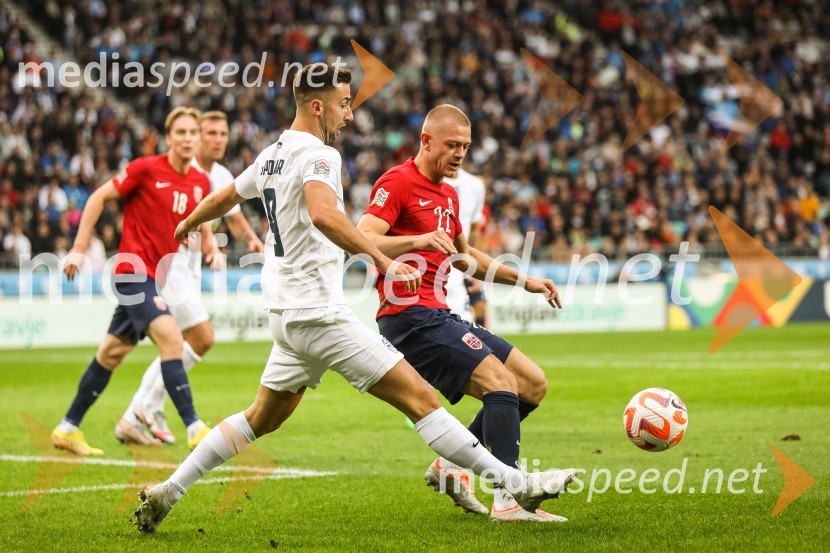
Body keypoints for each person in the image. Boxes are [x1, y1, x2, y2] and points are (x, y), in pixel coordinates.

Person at [133, 64, 574, 532]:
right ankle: (511, 484)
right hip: (320, 315)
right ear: (318, 105)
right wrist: (384, 262)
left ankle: (169, 490)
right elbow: (325, 216)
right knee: (422, 399)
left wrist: (186, 223)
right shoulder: (320, 156)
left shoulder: (273, 154)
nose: (349, 114)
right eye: (344, 104)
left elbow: (224, 196)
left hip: (286, 318)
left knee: (259, 418)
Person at [357, 104, 565, 522]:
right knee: (501, 383)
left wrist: (527, 281)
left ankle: (451, 465)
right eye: (452, 145)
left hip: (440, 312)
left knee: (532, 383)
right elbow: (362, 237)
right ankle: (508, 498)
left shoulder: (449, 195)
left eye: (465, 147)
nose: (459, 154)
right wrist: (418, 240)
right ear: (426, 140)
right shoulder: (397, 182)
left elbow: (466, 258)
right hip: (408, 318)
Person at [52, 107, 217, 455]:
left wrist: (210, 245)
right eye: (181, 132)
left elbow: (202, 217)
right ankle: (194, 427)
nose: (188, 139)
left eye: (193, 133)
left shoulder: (201, 182)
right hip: (132, 274)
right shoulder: (146, 169)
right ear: (168, 138)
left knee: (110, 354)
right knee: (172, 340)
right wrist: (79, 248)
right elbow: (98, 197)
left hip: (158, 278)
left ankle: (68, 428)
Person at [115, 111, 265, 446]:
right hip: (169, 267)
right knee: (200, 337)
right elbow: (199, 220)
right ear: (196, 137)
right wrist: (209, 242)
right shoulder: (186, 172)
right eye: (209, 133)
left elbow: (234, 217)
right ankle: (143, 410)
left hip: (190, 270)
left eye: (222, 133)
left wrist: (253, 241)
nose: (217, 139)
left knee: (178, 342)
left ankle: (141, 412)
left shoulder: (222, 173)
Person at [442, 167, 486, 324]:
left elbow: (475, 231)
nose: (458, 152)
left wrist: (474, 268)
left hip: (462, 264)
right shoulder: (427, 181)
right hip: (436, 266)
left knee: (480, 308)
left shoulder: (475, 185)